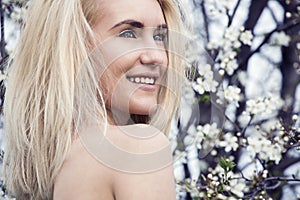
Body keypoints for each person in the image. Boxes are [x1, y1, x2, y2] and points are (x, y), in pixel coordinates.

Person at [3, 0, 185, 199]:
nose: (157, 56)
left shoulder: (58, 171)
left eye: (160, 36)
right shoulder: (137, 147)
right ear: (75, 44)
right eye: (128, 33)